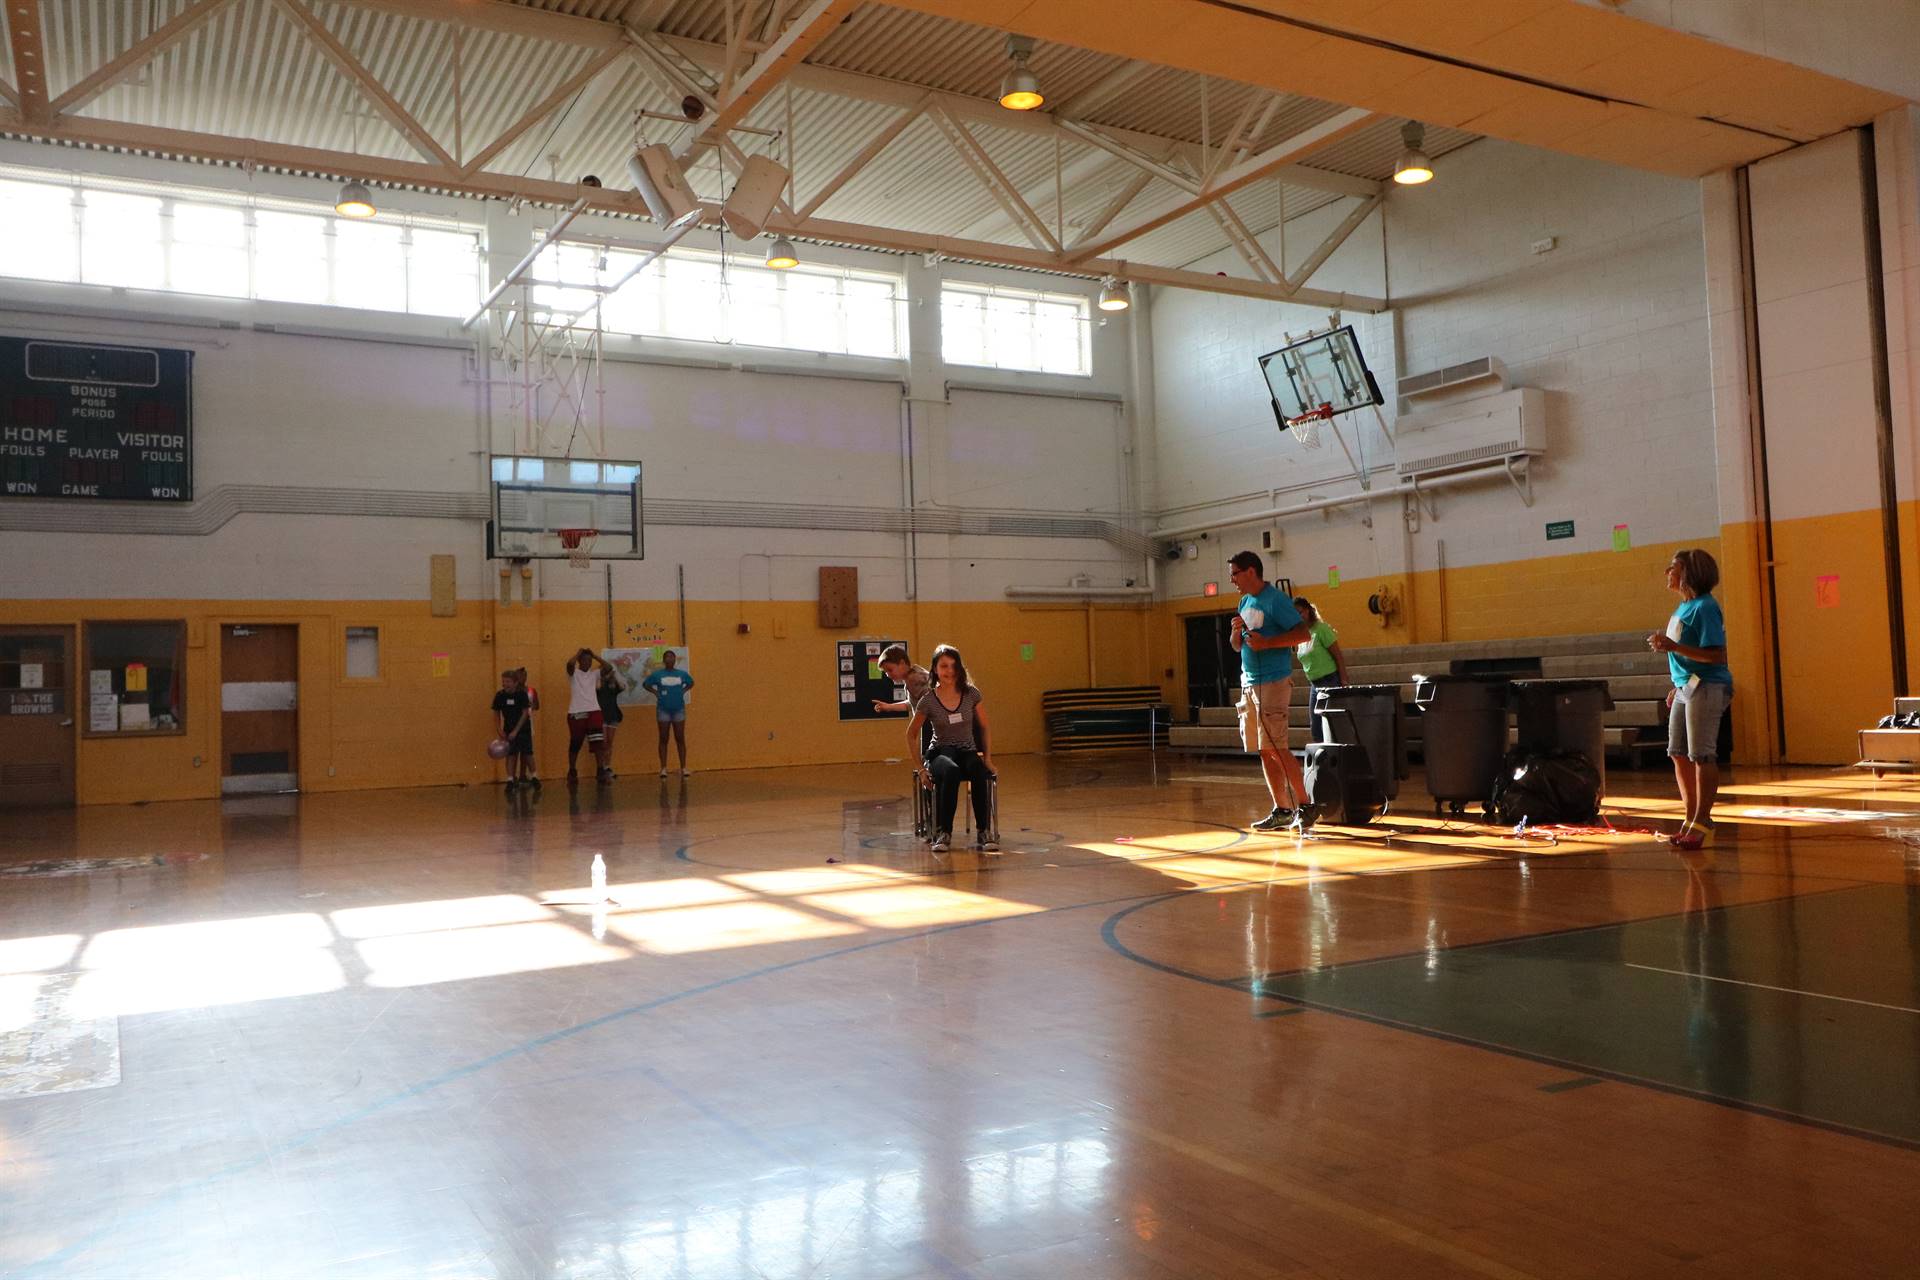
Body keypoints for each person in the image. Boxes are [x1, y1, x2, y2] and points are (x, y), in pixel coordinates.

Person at [1649, 548, 1732, 850]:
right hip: (1687, 687)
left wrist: (1673, 646)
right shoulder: (1682, 608)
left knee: (1701, 754)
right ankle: (1690, 817)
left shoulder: (1705, 607)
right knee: (1677, 751)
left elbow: (1717, 655)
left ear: (1688, 573)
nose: (1667, 573)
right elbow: (1683, 656)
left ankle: (1703, 820)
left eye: (1672, 567)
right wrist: (1678, 683)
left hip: (1708, 686)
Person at [1228, 550, 1315, 831]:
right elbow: (1237, 645)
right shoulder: (1245, 601)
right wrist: (1235, 633)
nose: (1232, 580)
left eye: (1235, 573)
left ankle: (1306, 805)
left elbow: (1303, 634)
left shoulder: (1276, 600)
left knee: (1277, 747)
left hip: (1273, 682)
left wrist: (1268, 644)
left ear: (1251, 571)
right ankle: (1282, 809)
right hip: (1250, 682)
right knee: (1264, 750)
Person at [907, 644, 997, 854]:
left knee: (978, 769)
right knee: (950, 770)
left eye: (953, 666)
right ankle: (943, 833)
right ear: (935, 670)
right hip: (940, 752)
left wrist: (989, 758)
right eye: (944, 666)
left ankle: (984, 831)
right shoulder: (928, 700)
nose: (949, 671)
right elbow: (910, 734)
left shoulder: (971, 694)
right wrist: (921, 768)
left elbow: (984, 725)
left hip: (966, 750)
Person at [1292, 596, 1348, 741]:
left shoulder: (1321, 629)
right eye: (1294, 614)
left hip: (1329, 680)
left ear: (1308, 611)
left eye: (1300, 612)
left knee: (1331, 723)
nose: (1299, 617)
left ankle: (1337, 754)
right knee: (1316, 726)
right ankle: (1323, 758)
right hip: (1314, 684)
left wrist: (1343, 679)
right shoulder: (1300, 635)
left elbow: (1338, 655)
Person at [641, 649, 695, 778]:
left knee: (680, 738)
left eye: (672, 657)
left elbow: (691, 683)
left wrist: (683, 690)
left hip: (678, 709)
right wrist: (655, 692)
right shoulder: (658, 674)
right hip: (663, 710)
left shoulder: (681, 674)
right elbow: (646, 684)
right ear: (664, 660)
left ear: (675, 660)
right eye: (667, 657)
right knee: (664, 738)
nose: (670, 659)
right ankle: (663, 768)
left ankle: (683, 767)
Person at [564, 648, 612, 784]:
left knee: (598, 743)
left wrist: (595, 656)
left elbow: (608, 667)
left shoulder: (594, 674)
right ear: (579, 661)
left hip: (594, 711)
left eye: (589, 661)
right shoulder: (574, 674)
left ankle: (600, 770)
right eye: (584, 660)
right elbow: (569, 664)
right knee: (575, 743)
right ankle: (572, 771)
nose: (587, 663)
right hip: (576, 712)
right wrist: (578, 653)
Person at [491, 669, 539, 791]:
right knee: (511, 754)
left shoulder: (521, 695)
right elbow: (496, 712)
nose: (505, 684)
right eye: (503, 681)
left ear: (515, 683)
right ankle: (510, 780)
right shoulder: (500, 696)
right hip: (508, 728)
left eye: (508, 681)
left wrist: (516, 731)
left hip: (523, 729)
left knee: (527, 753)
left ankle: (534, 777)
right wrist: (499, 729)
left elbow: (525, 714)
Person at [871, 644, 932, 715]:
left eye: (890, 670)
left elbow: (926, 707)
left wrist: (915, 726)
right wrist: (889, 707)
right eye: (885, 672)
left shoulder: (913, 680)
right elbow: (914, 703)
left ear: (902, 663)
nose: (887, 675)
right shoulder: (916, 673)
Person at [596, 660, 628, 777]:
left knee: (610, 742)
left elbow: (622, 687)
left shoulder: (613, 686)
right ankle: (601, 767)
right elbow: (598, 687)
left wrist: (615, 675)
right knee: (603, 742)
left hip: (613, 715)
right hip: (602, 716)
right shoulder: (599, 683)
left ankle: (607, 766)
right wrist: (604, 676)